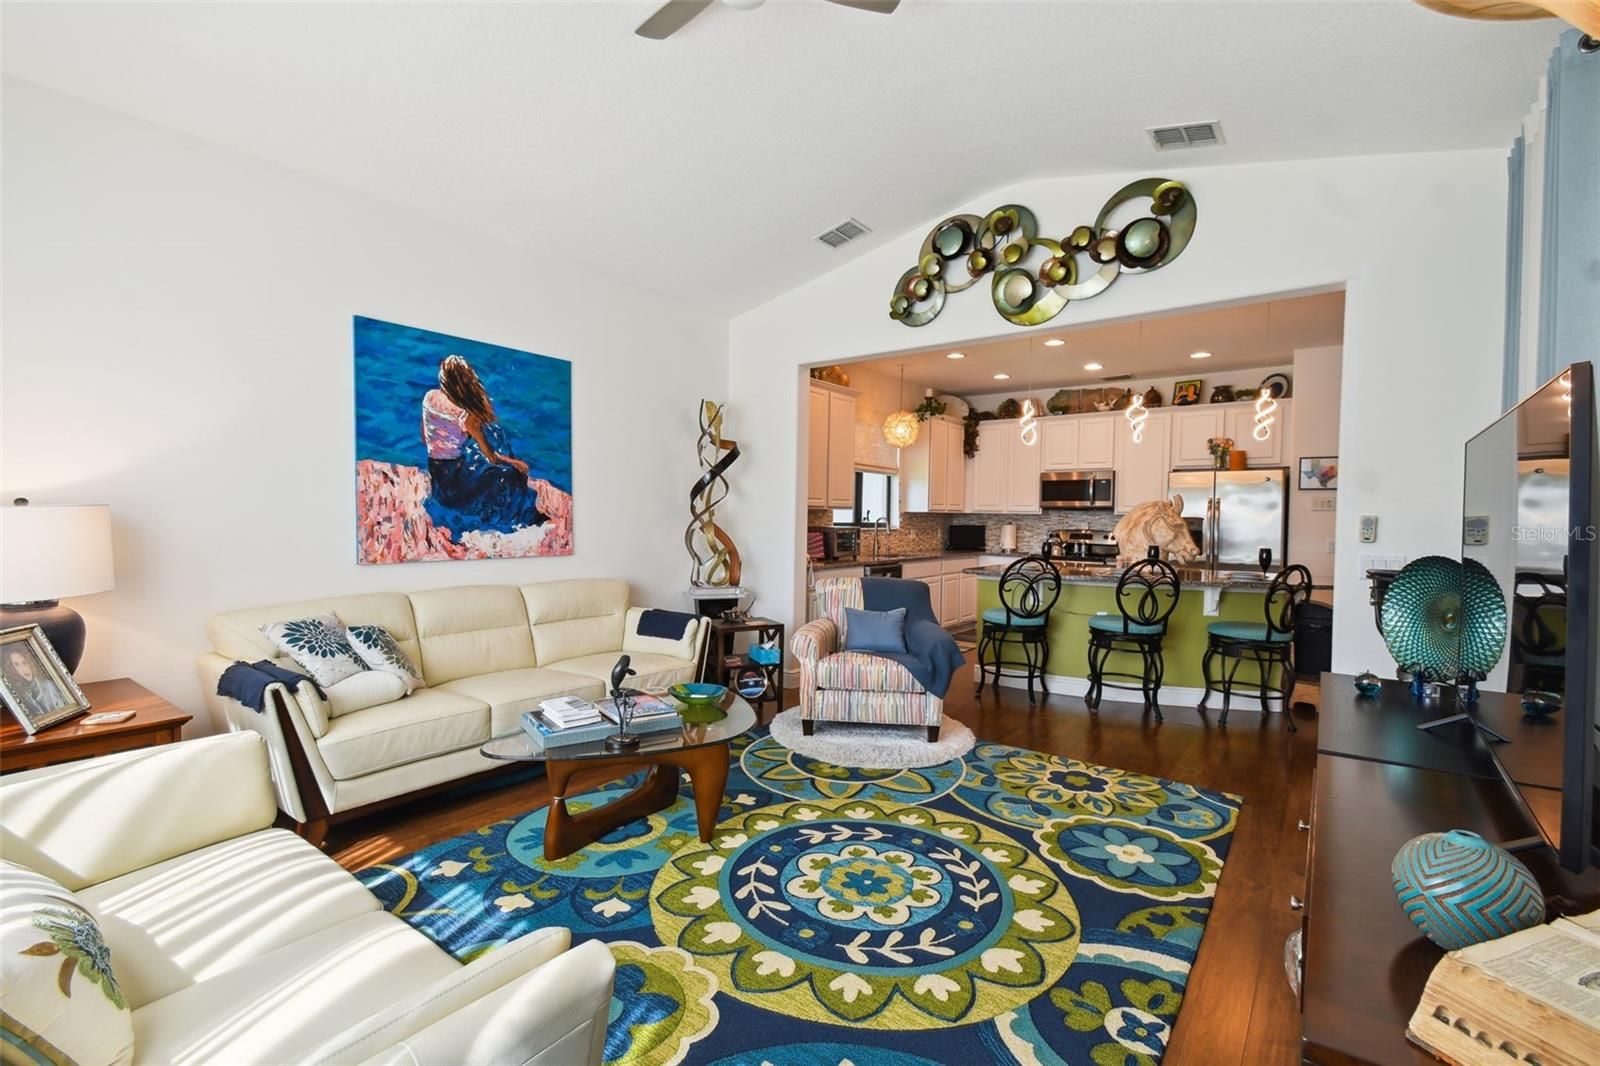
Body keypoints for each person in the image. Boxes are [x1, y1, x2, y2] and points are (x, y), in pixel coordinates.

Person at [419, 355, 548, 533]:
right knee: (511, 474)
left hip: (438, 481)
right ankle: (527, 519)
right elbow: (492, 457)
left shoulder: (429, 397)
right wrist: (517, 464)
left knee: (481, 446)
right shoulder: (465, 414)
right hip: (456, 488)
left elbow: (424, 436)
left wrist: (448, 441)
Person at [2, 646, 62, 718]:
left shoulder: (49, 686)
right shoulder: (22, 693)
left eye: (24, 662)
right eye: (17, 664)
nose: (23, 668)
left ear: (30, 662)